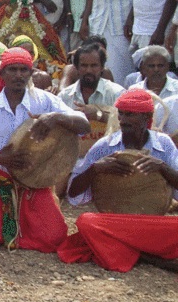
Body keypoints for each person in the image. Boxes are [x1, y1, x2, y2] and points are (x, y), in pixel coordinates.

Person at [0, 47, 89, 252]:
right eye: (12, 70)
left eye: (24, 70)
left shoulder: (45, 102)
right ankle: (19, 232)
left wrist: (55, 117)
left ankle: (20, 232)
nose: (18, 75)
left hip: (36, 186)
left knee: (54, 238)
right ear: (2, 73)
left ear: (31, 74)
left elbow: (84, 125)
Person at [58, 89, 178, 272]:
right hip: (115, 223)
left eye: (130, 115)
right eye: (120, 114)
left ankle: (129, 250)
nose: (122, 120)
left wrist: (163, 168)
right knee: (86, 222)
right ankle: (150, 258)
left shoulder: (164, 145)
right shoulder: (105, 146)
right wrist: (95, 169)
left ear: (147, 117)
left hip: (151, 224)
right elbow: (73, 194)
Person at [58, 44, 124, 124]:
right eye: (84, 66)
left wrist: (99, 115)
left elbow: (125, 121)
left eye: (94, 66)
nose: (88, 70)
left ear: (102, 67)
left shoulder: (116, 93)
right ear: (76, 67)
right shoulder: (65, 96)